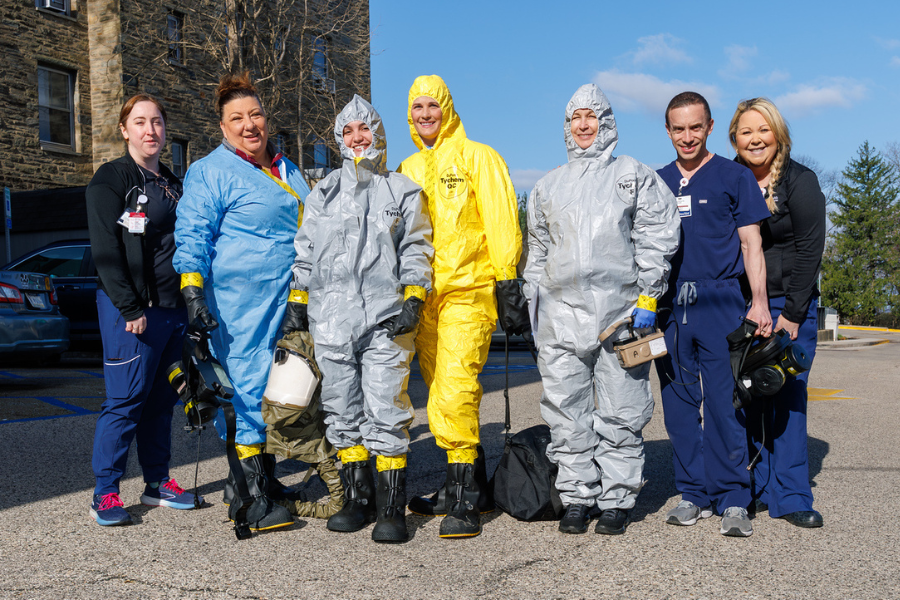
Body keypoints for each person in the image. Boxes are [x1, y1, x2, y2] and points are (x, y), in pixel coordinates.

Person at [523, 84, 680, 536]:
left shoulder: (632, 175)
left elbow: (656, 235)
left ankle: (617, 497)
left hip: (623, 318)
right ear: (567, 126)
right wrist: (532, 308)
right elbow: (538, 252)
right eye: (577, 118)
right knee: (566, 411)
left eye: (593, 117)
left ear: (607, 123)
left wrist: (649, 296)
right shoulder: (549, 186)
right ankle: (576, 496)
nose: (584, 125)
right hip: (560, 317)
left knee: (621, 410)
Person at [285, 95, 433, 543]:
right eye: (347, 131)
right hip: (331, 320)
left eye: (363, 129)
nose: (356, 138)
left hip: (385, 317)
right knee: (341, 409)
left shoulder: (402, 190)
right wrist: (297, 301)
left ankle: (392, 508)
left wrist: (413, 296)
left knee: (386, 409)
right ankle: (357, 499)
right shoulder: (323, 191)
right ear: (338, 139)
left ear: (378, 134)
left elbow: (416, 245)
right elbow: (305, 251)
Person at [173, 72, 310, 532]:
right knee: (248, 390)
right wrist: (192, 292)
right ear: (223, 126)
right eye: (237, 118)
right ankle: (250, 498)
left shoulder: (288, 169)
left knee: (281, 389)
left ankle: (263, 482)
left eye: (256, 114)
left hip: (287, 299)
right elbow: (191, 234)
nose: (249, 125)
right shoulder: (210, 171)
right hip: (239, 305)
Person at [397, 75, 530, 539]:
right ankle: (468, 483)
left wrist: (508, 281)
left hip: (468, 292)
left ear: (448, 107)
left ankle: (464, 500)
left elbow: (500, 218)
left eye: (433, 105)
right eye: (417, 107)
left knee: (454, 390)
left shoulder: (479, 157)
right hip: (425, 301)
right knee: (442, 397)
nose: (425, 114)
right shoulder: (407, 167)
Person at [655, 91, 773, 537]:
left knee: (725, 402)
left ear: (708, 127)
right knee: (679, 404)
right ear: (668, 131)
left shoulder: (732, 177)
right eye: (678, 129)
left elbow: (751, 244)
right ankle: (693, 494)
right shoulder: (657, 180)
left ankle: (733, 498)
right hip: (671, 305)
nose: (687, 136)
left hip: (721, 300)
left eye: (695, 127)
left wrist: (758, 301)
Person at [86, 94, 200, 526]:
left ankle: (157, 483)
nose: (150, 130)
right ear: (124, 129)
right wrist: (130, 306)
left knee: (160, 403)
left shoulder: (174, 181)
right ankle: (106, 492)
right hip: (133, 311)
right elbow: (105, 250)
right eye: (140, 122)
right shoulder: (111, 179)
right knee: (125, 400)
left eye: (156, 122)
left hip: (174, 310)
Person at [729, 98, 826, 528]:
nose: (755, 139)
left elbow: (809, 252)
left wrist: (792, 314)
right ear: (734, 137)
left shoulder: (800, 182)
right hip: (743, 308)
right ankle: (752, 486)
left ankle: (791, 495)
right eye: (746, 131)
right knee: (746, 393)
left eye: (763, 130)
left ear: (778, 134)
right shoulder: (728, 179)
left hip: (791, 306)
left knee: (786, 394)